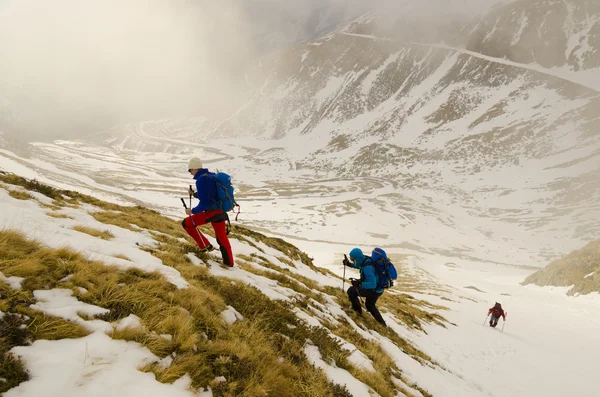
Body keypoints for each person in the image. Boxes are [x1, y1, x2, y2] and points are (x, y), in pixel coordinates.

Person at [182, 157, 234, 266]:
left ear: (194, 169)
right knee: (221, 237)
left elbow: (205, 203)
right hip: (220, 211)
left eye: (190, 170)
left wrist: (192, 211)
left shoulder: (201, 180)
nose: (190, 173)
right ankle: (229, 263)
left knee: (187, 223)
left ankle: (204, 246)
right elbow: (210, 195)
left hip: (211, 212)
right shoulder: (210, 175)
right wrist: (194, 194)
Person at [343, 248, 386, 326]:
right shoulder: (365, 260)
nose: (353, 261)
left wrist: (359, 284)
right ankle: (382, 324)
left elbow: (373, 284)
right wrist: (349, 264)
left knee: (351, 291)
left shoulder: (367, 268)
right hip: (378, 290)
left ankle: (357, 311)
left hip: (373, 290)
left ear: (358, 258)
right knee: (370, 305)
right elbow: (359, 266)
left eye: (353, 260)